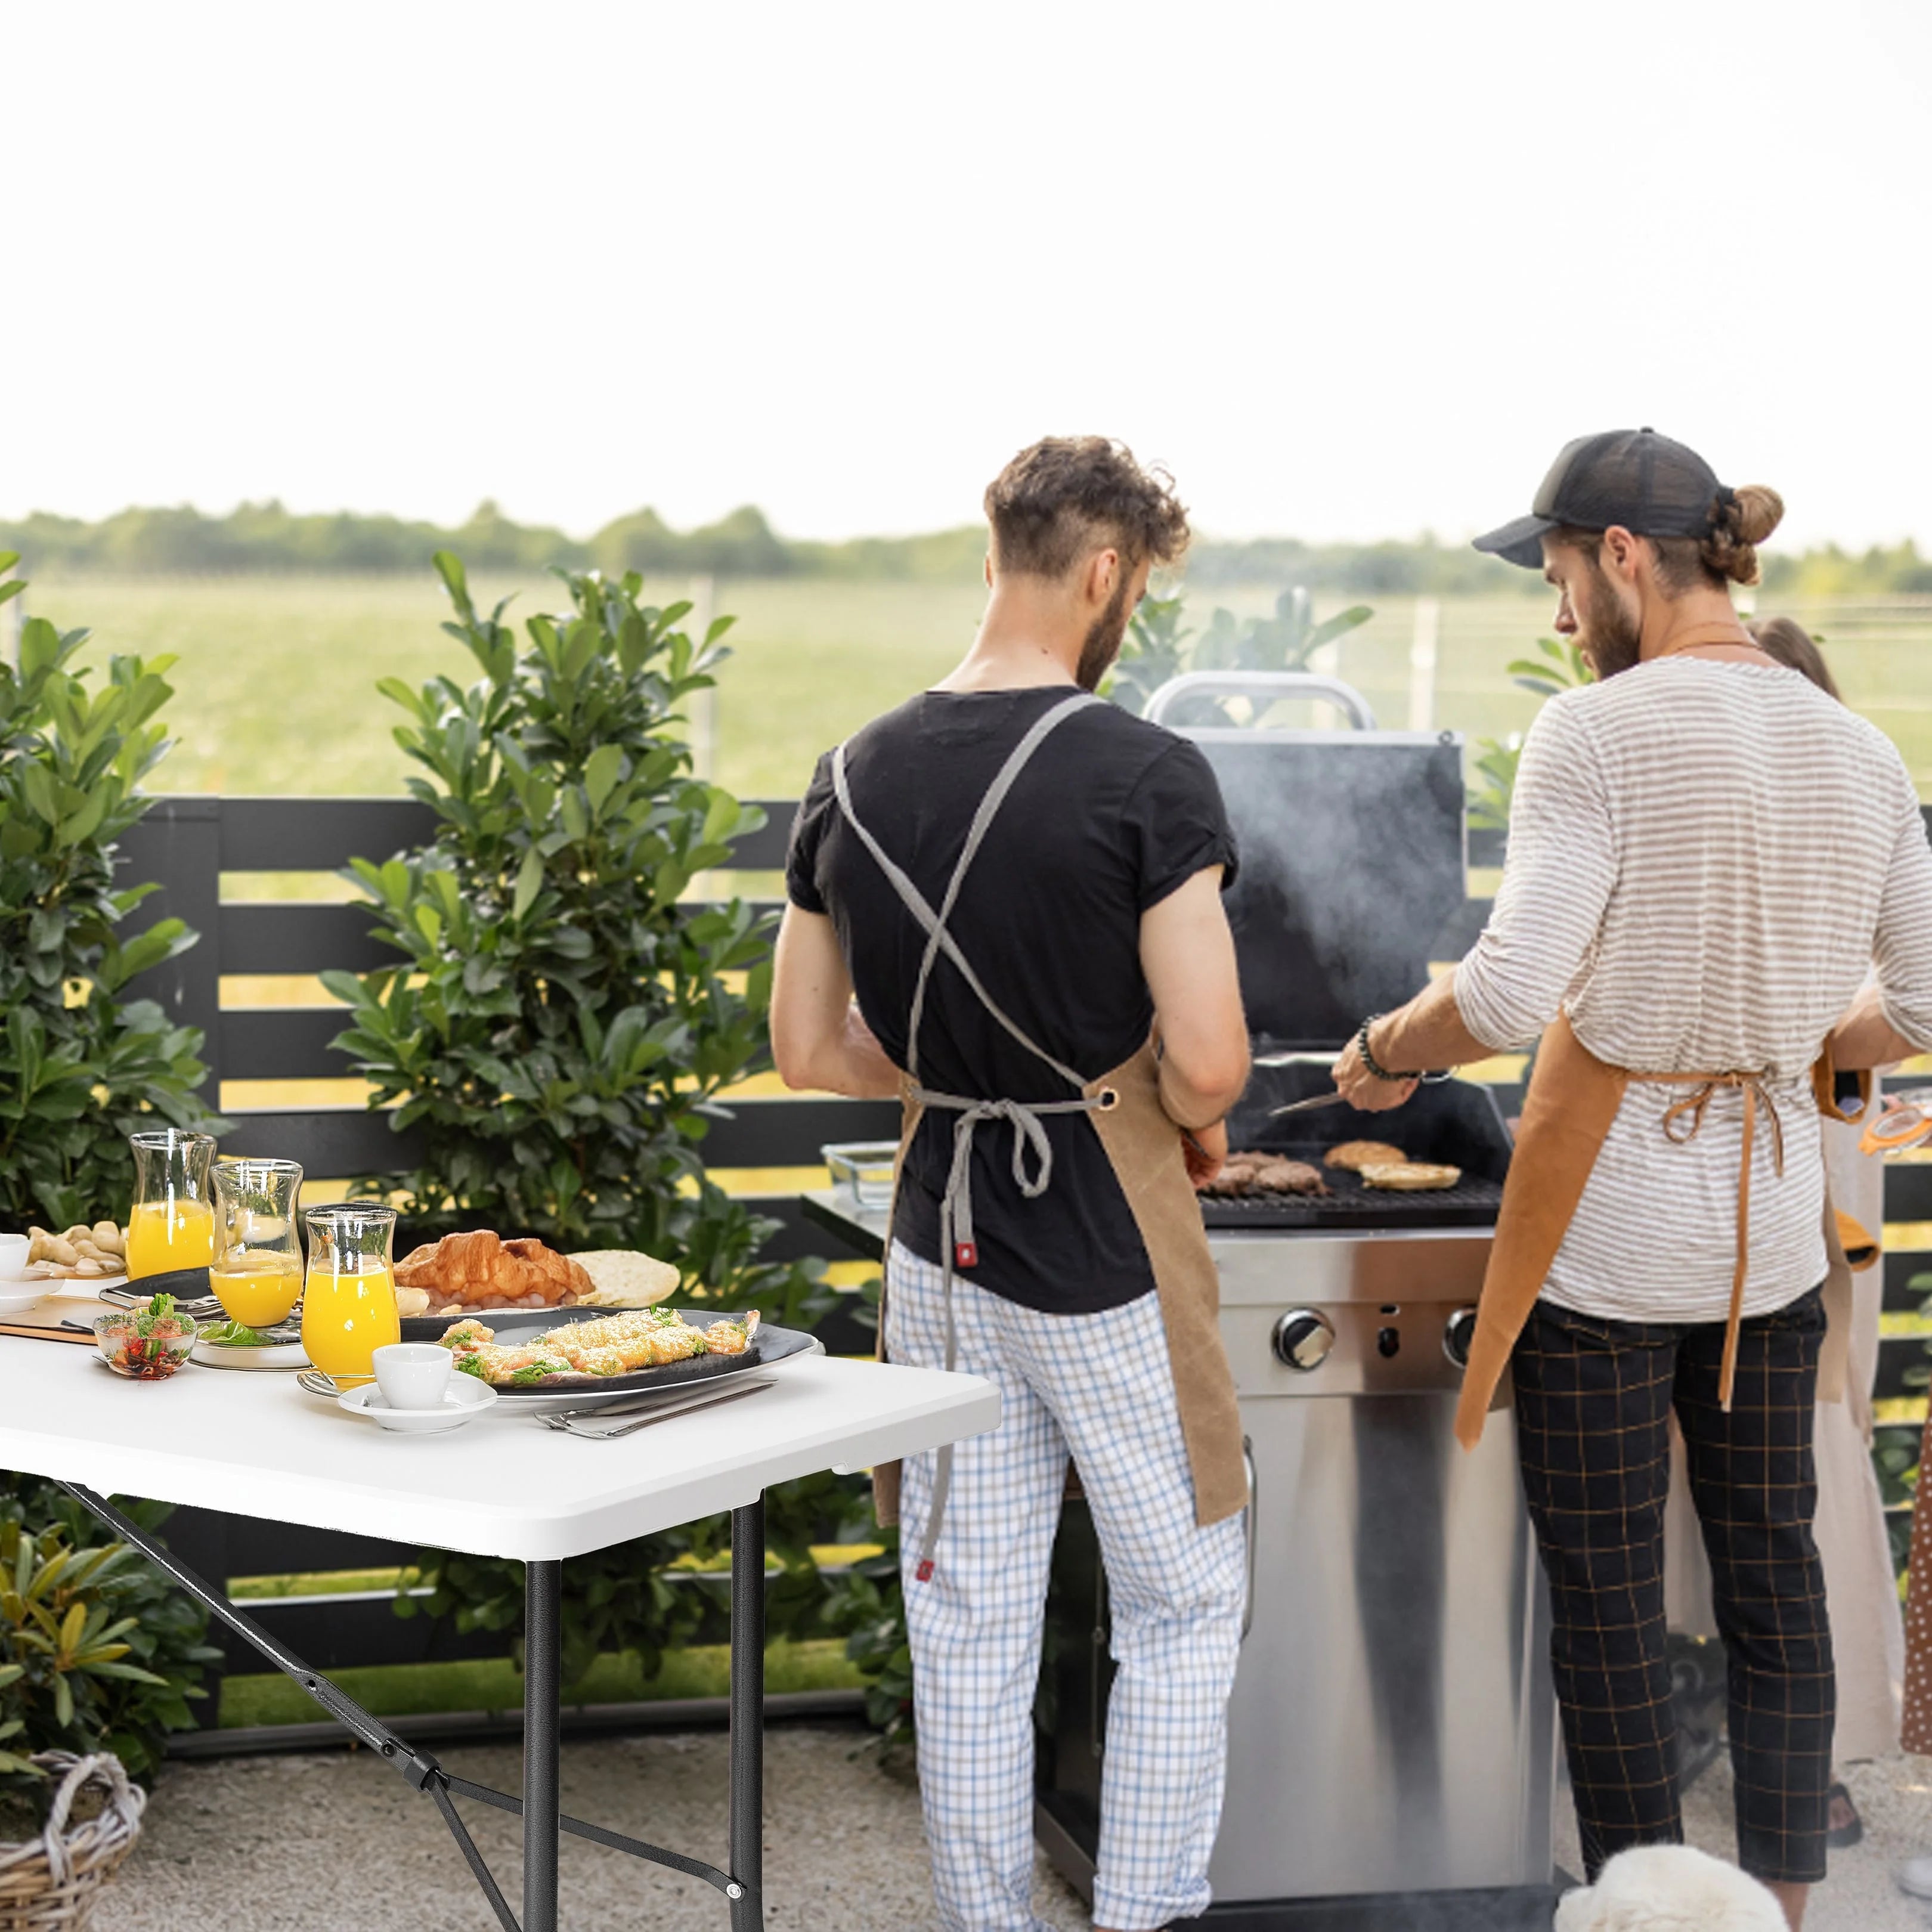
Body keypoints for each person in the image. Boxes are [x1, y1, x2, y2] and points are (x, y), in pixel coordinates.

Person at [1328, 428, 1932, 1932]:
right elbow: (1922, 1007)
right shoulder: (1859, 746)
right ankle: (1780, 1911)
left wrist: (1393, 1046)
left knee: (1604, 1607)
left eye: (1553, 577)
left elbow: (1517, 990)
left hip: (1603, 1256)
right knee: (1772, 1587)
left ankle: (1643, 1916)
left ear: (1617, 557)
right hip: (1772, 1252)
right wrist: (1790, 1040)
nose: (1554, 620)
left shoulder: (1595, 736)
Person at [770, 435, 1252, 1932]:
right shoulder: (1145, 773)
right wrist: (1136, 1099)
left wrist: (957, 1080)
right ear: (1106, 574)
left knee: (967, 1618)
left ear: (998, 555)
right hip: (1105, 1248)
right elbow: (1216, 1061)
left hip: (939, 1248)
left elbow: (802, 1046)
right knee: (1180, 1605)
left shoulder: (847, 774)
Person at [1659, 615, 1906, 1850]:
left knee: (1802, 1465)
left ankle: (1808, 1761)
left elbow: (1894, 1007)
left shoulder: (1852, 801)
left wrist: (1796, 1030)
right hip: (1688, 1164)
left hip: (1808, 1164)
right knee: (1691, 1453)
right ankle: (1698, 1704)